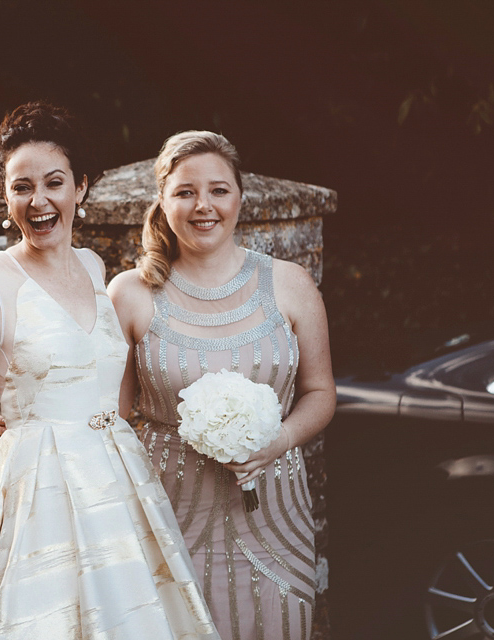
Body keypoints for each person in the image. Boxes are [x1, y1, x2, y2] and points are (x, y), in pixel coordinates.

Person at [0, 102, 218, 639]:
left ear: (80, 188)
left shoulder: (93, 266)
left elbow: (100, 386)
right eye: (21, 187)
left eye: (54, 182)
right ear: (5, 197)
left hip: (116, 478)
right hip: (39, 489)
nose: (38, 201)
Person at [107, 131, 336, 639]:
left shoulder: (291, 283)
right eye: (185, 191)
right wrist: (28, 428)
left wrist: (279, 440)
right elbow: (110, 416)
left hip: (275, 510)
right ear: (162, 202)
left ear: (239, 197)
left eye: (218, 190)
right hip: (168, 509)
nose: (203, 206)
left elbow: (321, 393)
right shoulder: (130, 293)